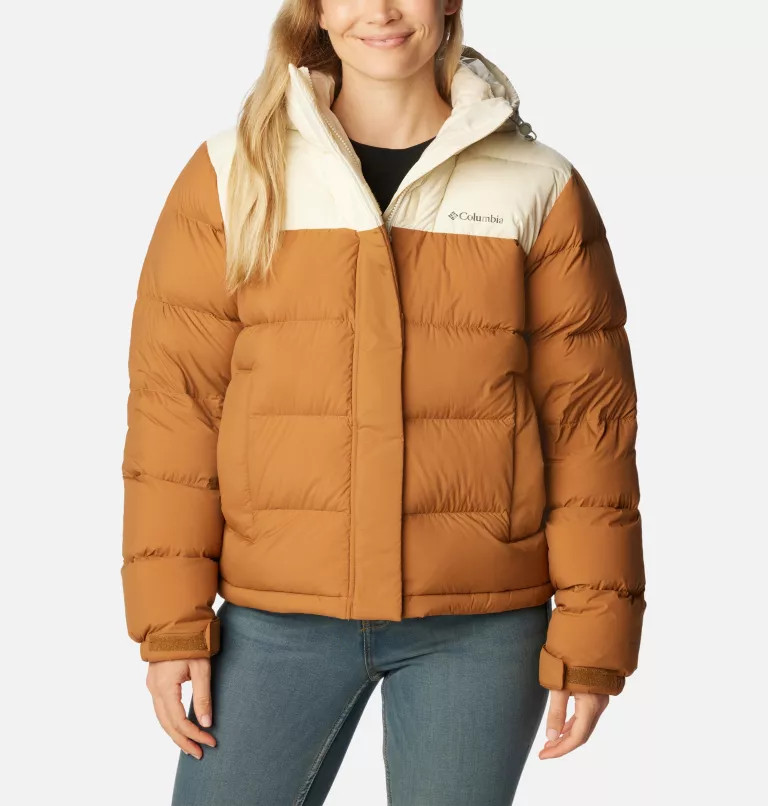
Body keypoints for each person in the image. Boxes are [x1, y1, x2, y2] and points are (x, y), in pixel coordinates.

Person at [120, 1, 646, 804]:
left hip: (481, 626)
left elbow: (588, 425)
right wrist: (171, 621)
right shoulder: (234, 172)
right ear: (319, 11)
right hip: (272, 618)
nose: (382, 11)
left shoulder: (536, 184)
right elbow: (177, 409)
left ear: (448, 4)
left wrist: (593, 633)